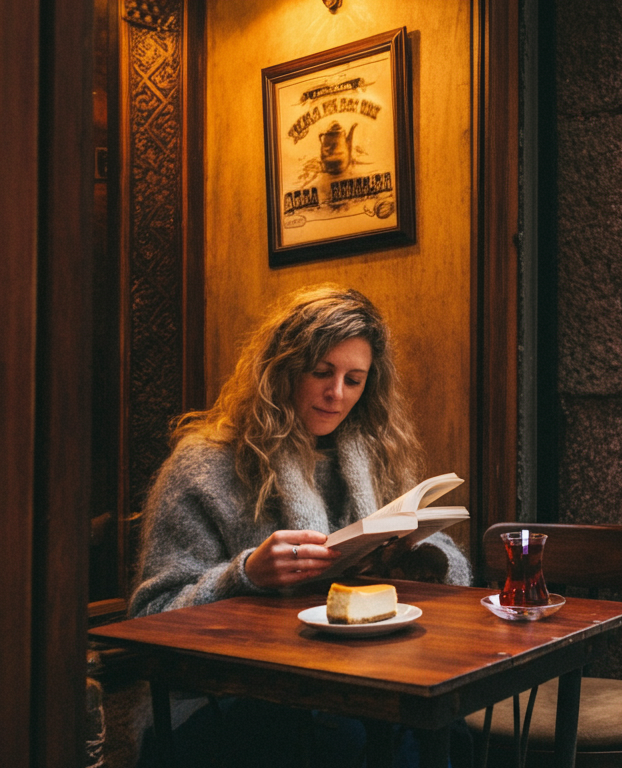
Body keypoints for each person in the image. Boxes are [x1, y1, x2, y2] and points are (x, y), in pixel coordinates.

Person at [128, 285, 471, 766]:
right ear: (282, 369)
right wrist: (243, 575)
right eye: (322, 372)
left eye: (354, 380)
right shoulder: (205, 466)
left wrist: (418, 560)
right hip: (225, 698)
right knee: (349, 738)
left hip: (357, 683)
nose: (337, 394)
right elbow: (150, 617)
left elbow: (451, 564)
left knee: (446, 731)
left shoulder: (373, 455)